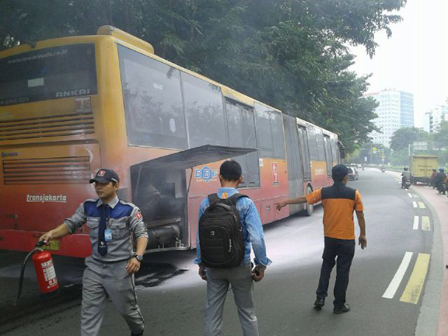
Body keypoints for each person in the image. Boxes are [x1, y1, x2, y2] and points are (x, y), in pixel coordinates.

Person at [39, 169, 148, 336]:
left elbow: (142, 234)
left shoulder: (129, 210)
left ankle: (137, 331)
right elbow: (71, 224)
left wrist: (137, 256)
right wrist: (52, 234)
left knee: (128, 311)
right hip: (94, 268)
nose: (98, 187)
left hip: (120, 269)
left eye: (103, 183)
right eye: (96, 183)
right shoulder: (87, 207)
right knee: (89, 313)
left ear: (116, 185)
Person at [276, 164, 367, 314]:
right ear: (346, 177)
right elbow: (360, 215)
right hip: (346, 240)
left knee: (326, 266)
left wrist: (286, 202)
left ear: (332, 177)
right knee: (343, 272)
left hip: (330, 238)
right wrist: (363, 234)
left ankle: (320, 297)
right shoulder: (354, 194)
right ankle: (339, 305)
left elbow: (305, 199)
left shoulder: (324, 192)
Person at [195, 160, 271, 336]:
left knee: (212, 316)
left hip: (213, 267)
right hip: (240, 266)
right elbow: (257, 238)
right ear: (241, 178)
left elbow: (200, 238)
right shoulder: (246, 203)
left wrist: (201, 263)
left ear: (219, 177)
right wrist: (261, 265)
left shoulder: (206, 203)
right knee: (247, 314)